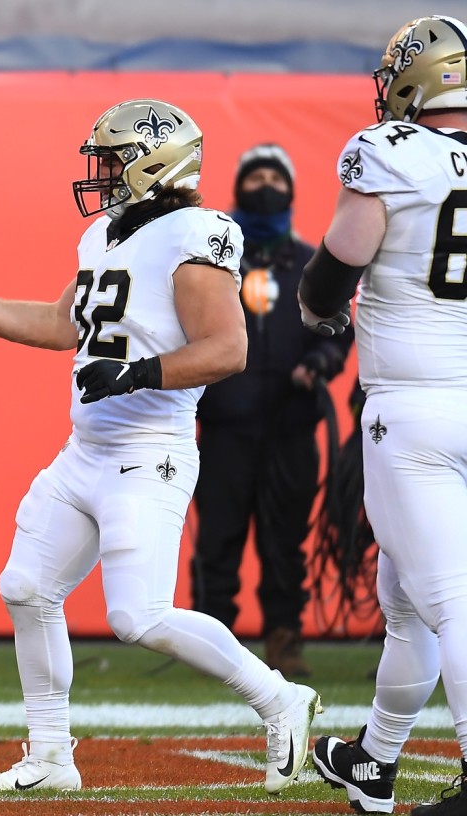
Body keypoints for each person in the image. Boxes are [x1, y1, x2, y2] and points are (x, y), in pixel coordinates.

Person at [0, 98, 322, 795]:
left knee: (138, 616)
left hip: (151, 448)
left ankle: (279, 698)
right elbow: (59, 324)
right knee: (26, 586)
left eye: (111, 161)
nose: (101, 174)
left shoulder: (196, 232)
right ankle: (50, 756)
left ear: (152, 161)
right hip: (86, 449)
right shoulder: (105, 235)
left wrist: (141, 373)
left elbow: (228, 349)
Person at [302, 15, 467, 816]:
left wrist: (317, 309)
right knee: (403, 593)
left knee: (451, 596)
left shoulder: (390, 152)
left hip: (413, 406)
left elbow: (336, 269)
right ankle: (374, 760)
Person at [191, 143, 352, 679]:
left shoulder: (311, 262)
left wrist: (320, 365)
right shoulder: (213, 262)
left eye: (275, 178)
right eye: (255, 176)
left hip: (291, 427)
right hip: (224, 427)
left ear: (291, 190)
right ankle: (212, 644)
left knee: (286, 543)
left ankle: (285, 641)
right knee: (218, 540)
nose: (266, 186)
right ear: (238, 188)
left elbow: (337, 327)